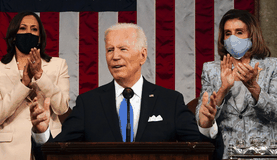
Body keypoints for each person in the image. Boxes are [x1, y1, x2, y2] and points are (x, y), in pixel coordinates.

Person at [30, 23, 223, 159]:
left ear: (143, 55)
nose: (115, 57)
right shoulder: (88, 104)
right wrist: (42, 132)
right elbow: (54, 155)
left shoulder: (170, 101)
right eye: (110, 50)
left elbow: (204, 154)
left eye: (123, 49)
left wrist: (206, 128)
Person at [196, 9, 276, 159]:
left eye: (239, 32)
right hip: (227, 154)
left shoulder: (273, 67)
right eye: (228, 33)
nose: (233, 38)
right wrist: (223, 89)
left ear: (252, 35)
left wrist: (254, 89)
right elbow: (203, 122)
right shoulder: (211, 69)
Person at [0, 12, 70, 160]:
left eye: (34, 29)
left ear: (39, 38)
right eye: (23, 28)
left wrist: (40, 75)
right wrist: (23, 84)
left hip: (48, 145)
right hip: (8, 151)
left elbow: (62, 107)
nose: (28, 33)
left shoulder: (58, 65)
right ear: (14, 36)